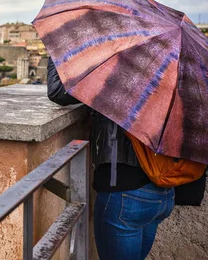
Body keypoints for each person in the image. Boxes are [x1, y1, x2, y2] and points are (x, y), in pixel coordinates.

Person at [46, 57, 175, 260]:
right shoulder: (169, 65)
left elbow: (57, 91)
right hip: (163, 193)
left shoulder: (118, 66)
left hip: (125, 193)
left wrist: (55, 48)